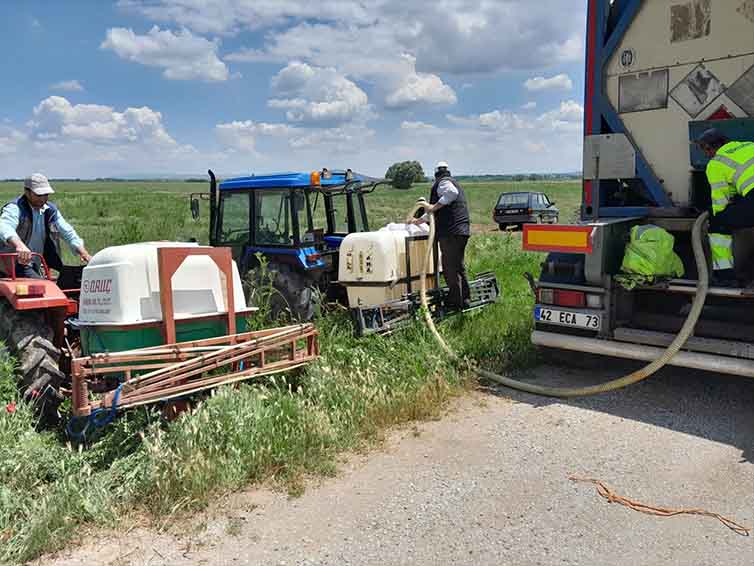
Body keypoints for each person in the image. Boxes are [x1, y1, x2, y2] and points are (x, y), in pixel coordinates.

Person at [0, 173, 91, 279]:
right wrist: (19, 245)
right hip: (13, 263)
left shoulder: (50, 211)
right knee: (43, 287)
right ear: (27, 192)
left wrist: (84, 253)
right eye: (39, 195)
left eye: (46, 194)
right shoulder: (14, 208)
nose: (43, 199)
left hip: (35, 262)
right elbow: (4, 227)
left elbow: (68, 232)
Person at [695, 129, 754, 286]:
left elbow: (720, 203)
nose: (705, 155)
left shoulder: (716, 164)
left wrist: (714, 213)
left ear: (709, 148)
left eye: (704, 150)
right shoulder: (749, 145)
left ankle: (724, 275)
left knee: (718, 220)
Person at [411, 161, 471, 310]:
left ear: (437, 174)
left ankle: (455, 303)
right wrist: (418, 221)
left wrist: (433, 206)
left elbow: (450, 194)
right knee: (458, 266)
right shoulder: (453, 181)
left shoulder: (444, 183)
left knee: (449, 267)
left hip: (451, 232)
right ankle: (465, 300)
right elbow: (433, 212)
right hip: (461, 231)